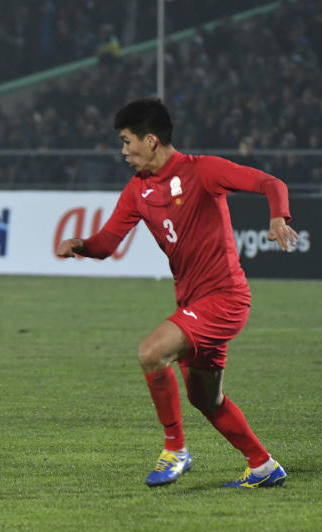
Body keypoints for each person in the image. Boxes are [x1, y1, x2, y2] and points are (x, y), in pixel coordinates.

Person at [56, 98, 299, 489]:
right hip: (192, 303)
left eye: (126, 141)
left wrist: (277, 215)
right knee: (207, 401)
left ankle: (176, 450)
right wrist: (80, 245)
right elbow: (107, 243)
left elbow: (272, 183)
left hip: (224, 298)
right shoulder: (138, 190)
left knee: (151, 352)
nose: (123, 152)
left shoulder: (202, 170)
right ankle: (264, 466)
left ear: (151, 140)